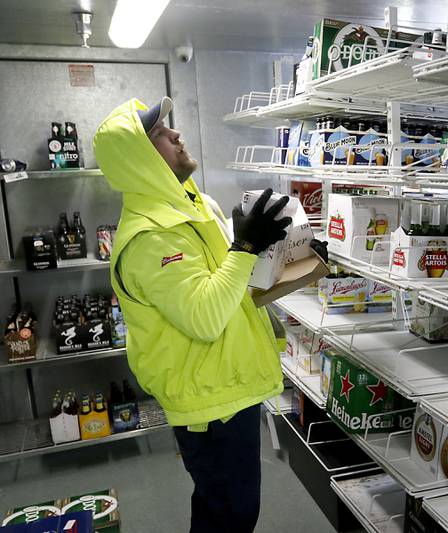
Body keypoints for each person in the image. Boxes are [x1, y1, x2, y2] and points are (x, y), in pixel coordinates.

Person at [93, 96, 294, 533]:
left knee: (220, 505)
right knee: (231, 513)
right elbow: (204, 317)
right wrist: (244, 246)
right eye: (159, 134)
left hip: (226, 384)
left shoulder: (193, 206)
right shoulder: (149, 239)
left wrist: (294, 258)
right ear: (141, 160)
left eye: (169, 126)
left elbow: (230, 283)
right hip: (209, 401)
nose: (175, 134)